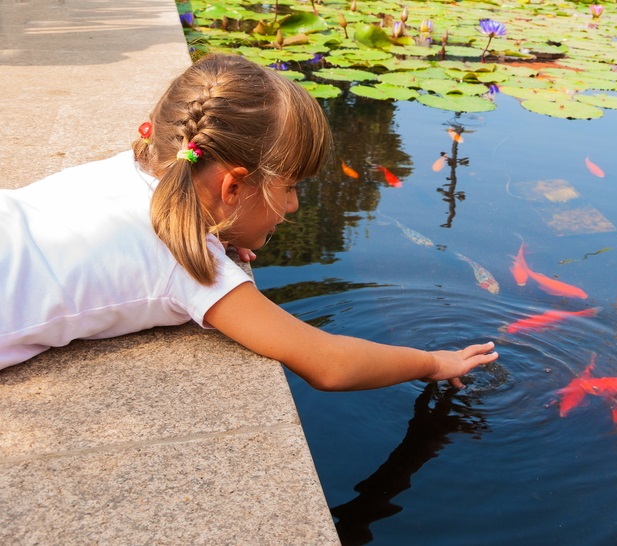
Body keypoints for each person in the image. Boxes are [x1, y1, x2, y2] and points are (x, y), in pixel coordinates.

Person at [0, 53, 498, 390]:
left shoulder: (123, 168)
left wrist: (222, 232)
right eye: (291, 187)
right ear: (233, 187)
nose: (295, 207)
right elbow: (330, 363)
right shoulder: (190, 266)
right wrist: (435, 362)